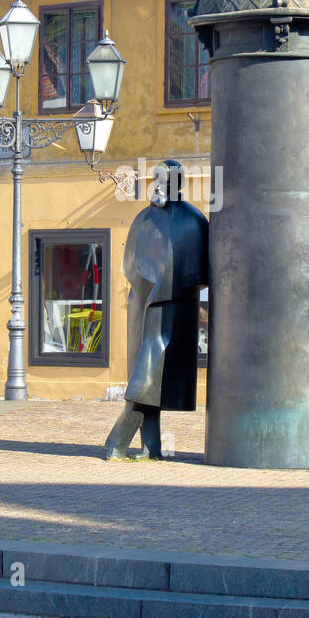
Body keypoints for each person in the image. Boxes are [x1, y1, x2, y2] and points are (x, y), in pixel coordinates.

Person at [105, 160, 209, 459]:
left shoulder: (194, 221)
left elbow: (200, 272)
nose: (158, 186)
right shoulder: (145, 219)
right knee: (147, 379)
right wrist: (148, 287)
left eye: (164, 180)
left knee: (149, 379)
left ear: (178, 184)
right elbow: (130, 260)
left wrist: (170, 288)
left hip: (174, 312)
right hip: (143, 306)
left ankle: (117, 442)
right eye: (156, 179)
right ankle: (151, 447)